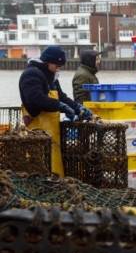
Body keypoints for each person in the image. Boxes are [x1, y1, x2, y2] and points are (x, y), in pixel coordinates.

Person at [18, 46, 91, 176]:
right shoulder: (31, 74)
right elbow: (36, 99)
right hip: (37, 130)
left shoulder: (51, 77)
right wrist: (61, 106)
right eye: (57, 65)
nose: (58, 69)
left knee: (54, 167)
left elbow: (61, 96)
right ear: (48, 62)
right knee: (40, 165)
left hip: (52, 132)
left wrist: (77, 108)